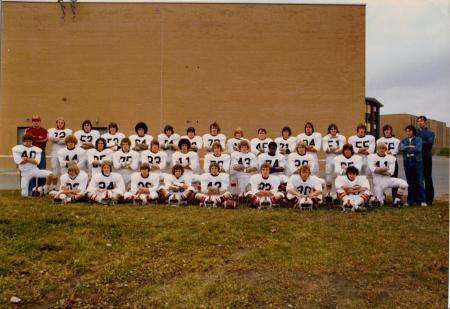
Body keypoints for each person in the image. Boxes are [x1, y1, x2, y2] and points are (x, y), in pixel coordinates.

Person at [367, 142, 408, 207]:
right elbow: (373, 170)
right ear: (377, 149)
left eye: (383, 148)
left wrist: (378, 169)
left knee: (404, 184)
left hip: (387, 180)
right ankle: (379, 197)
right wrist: (386, 168)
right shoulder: (371, 157)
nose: (382, 150)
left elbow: (390, 173)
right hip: (378, 183)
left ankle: (396, 201)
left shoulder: (391, 158)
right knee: (380, 203)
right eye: (380, 148)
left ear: (386, 149)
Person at [399, 125, 426, 206]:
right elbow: (400, 148)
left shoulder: (418, 139)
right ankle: (410, 200)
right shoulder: (403, 140)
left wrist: (406, 148)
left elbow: (418, 149)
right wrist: (410, 146)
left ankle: (422, 200)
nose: (408, 132)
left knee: (419, 181)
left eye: (409, 131)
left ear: (413, 131)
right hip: (407, 162)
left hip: (417, 161)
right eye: (406, 131)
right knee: (410, 181)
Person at [322, 123, 346, 198]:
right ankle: (329, 193)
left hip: (339, 160)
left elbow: (342, 149)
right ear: (329, 130)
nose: (333, 130)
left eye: (334, 129)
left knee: (339, 176)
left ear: (336, 130)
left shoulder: (341, 137)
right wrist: (336, 148)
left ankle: (338, 193)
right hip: (329, 159)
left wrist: (332, 149)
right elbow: (326, 150)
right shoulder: (325, 138)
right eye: (331, 129)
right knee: (328, 177)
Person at [377, 124, 401, 197]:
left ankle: (395, 198)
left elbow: (396, 150)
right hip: (382, 162)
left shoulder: (396, 140)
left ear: (391, 131)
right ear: (383, 131)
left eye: (388, 130)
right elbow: (378, 151)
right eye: (385, 130)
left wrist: (387, 152)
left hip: (392, 161)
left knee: (394, 179)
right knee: (381, 179)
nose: (387, 131)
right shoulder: (379, 140)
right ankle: (381, 197)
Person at [48, 117, 72, 186]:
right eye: (59, 122)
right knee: (54, 169)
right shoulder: (52, 130)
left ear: (64, 124)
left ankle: (64, 186)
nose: (60, 124)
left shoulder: (68, 131)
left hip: (64, 153)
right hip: (55, 152)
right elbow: (51, 138)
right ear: (56, 123)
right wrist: (60, 140)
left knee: (64, 170)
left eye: (62, 123)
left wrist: (58, 140)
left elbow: (67, 140)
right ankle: (54, 187)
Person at [416, 116, 435, 205]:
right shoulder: (416, 131)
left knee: (427, 177)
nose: (419, 122)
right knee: (418, 178)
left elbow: (429, 143)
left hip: (426, 157)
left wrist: (419, 142)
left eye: (421, 121)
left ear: (425, 122)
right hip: (417, 157)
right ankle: (419, 198)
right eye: (418, 121)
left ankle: (429, 198)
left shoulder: (430, 132)